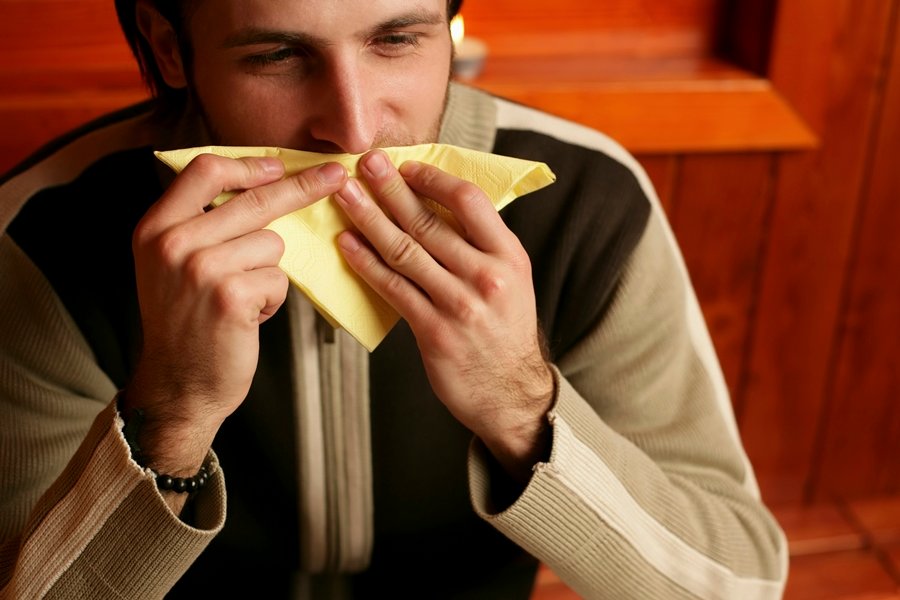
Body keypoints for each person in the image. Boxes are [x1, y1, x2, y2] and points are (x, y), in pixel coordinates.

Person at [0, 0, 789, 597]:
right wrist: (171, 409)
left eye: (397, 40)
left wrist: (523, 406)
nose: (353, 129)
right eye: (277, 55)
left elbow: (742, 580)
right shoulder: (41, 232)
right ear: (171, 48)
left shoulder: (588, 204)